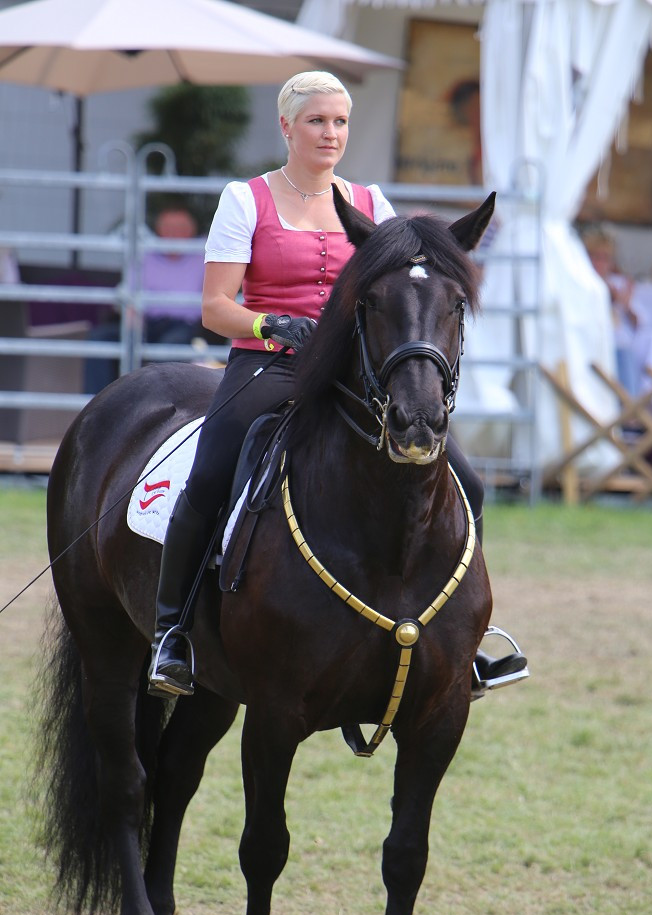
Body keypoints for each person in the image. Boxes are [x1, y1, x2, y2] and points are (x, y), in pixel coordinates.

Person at [148, 70, 528, 700]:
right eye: (317, 121)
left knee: (469, 478)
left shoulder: (371, 202)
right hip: (271, 363)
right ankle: (173, 632)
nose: (331, 133)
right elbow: (215, 307)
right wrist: (274, 324)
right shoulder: (246, 201)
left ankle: (467, 639)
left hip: (356, 370)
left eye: (340, 122)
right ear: (286, 127)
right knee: (215, 470)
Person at [84, 204, 208, 394]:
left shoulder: (202, 254)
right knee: (99, 339)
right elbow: (128, 293)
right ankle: (100, 403)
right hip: (145, 321)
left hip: (182, 325)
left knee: (169, 348)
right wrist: (131, 318)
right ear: (159, 231)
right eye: (169, 228)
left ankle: (155, 407)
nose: (174, 234)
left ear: (191, 231)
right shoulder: (146, 253)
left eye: (180, 229)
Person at [582, 226, 645, 398]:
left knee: (627, 351)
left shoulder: (619, 284)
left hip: (620, 348)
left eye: (605, 258)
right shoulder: (581, 284)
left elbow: (640, 324)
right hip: (590, 345)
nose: (599, 263)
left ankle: (630, 409)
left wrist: (624, 304)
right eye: (595, 257)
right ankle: (629, 408)